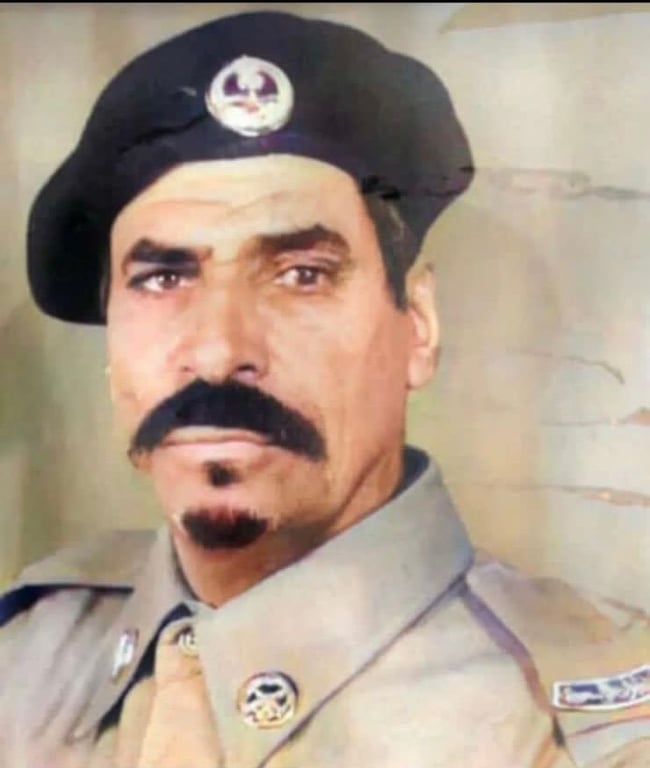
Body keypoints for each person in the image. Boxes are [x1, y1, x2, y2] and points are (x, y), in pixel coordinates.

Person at [1, 10, 649, 768]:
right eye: (164, 278)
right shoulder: (24, 659)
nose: (218, 353)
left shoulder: (592, 734)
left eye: (301, 275)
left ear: (418, 328)